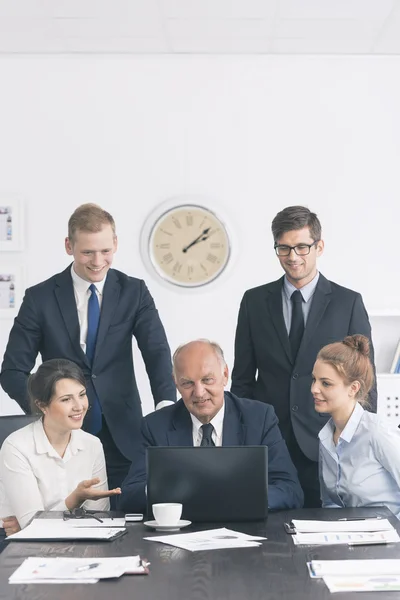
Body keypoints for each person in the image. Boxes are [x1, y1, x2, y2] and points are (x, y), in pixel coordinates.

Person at [0, 203, 176, 490]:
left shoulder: (135, 292)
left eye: (105, 251)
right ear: (69, 246)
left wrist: (166, 408)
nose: (97, 261)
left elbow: (156, 352)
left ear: (115, 244)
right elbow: (12, 371)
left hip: (124, 436)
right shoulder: (40, 298)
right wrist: (47, 409)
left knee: (127, 520)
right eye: (87, 252)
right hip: (60, 441)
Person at [231, 205, 377, 508]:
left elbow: (365, 382)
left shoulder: (347, 302)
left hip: (327, 441)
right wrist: (241, 440)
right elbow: (243, 379)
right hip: (268, 442)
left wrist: (362, 444)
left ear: (319, 246)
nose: (293, 257)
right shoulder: (254, 301)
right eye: (283, 248)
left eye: (301, 247)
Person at [118, 339, 304, 513]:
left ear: (225, 375)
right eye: (188, 383)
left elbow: (290, 489)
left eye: (207, 380)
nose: (199, 393)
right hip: (180, 535)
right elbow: (128, 496)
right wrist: (168, 492)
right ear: (176, 384)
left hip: (244, 533)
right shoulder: (155, 426)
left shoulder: (259, 418)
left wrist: (238, 498)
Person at [0, 359, 120, 532]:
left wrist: (36, 522)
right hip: (19, 544)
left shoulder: (92, 445)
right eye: (66, 400)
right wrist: (74, 501)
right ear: (42, 406)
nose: (79, 406)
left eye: (82, 394)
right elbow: (31, 527)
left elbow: (99, 519)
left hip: (79, 538)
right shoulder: (16, 446)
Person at [314, 335, 400, 517]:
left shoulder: (377, 432)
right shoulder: (325, 438)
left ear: (353, 388)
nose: (314, 389)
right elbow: (330, 503)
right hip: (349, 538)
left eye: (325, 383)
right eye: (314, 380)